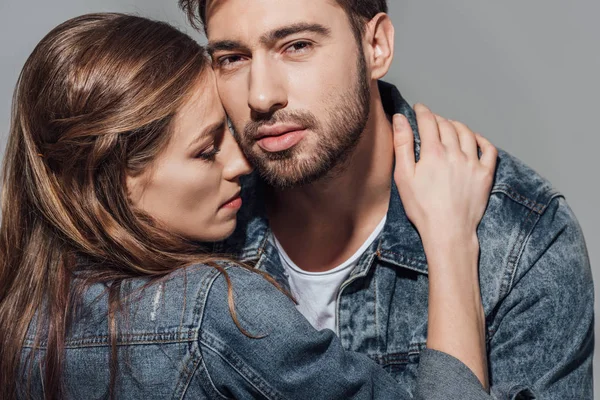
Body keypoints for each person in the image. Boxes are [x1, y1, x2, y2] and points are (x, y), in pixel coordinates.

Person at [0, 13, 498, 400]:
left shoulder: (24, 318)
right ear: (107, 180)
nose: (243, 159)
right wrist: (451, 242)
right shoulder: (217, 307)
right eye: (206, 149)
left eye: (297, 46)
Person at [178, 0, 595, 398]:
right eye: (232, 58)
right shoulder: (185, 221)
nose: (261, 96)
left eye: (297, 46)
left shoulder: (522, 237)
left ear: (376, 45)